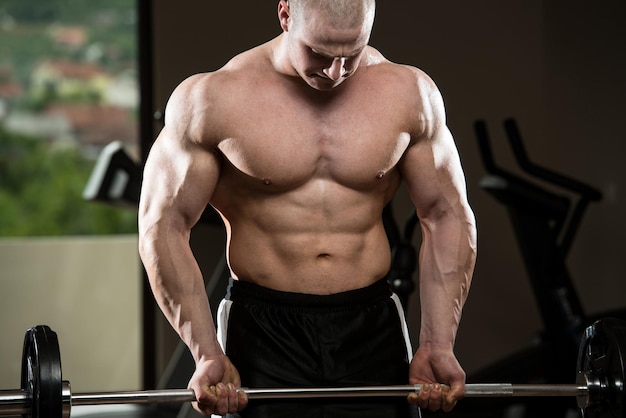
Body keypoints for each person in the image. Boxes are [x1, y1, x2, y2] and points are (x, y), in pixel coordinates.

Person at [138, 0, 477, 416]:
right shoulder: (213, 99)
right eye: (319, 53)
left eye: (351, 54)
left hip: (370, 323)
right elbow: (163, 225)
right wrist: (206, 351)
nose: (335, 72)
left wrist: (438, 343)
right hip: (262, 330)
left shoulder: (409, 94)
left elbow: (446, 214)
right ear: (285, 15)